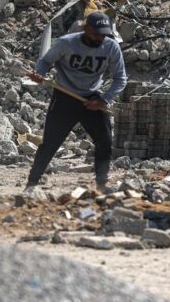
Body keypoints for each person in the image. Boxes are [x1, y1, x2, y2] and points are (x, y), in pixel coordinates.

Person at [26, 11, 127, 190]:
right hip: (65, 95)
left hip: (93, 99)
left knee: (104, 141)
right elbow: (45, 62)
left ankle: (102, 183)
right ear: (85, 28)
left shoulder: (111, 47)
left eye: (103, 34)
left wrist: (104, 100)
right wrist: (40, 74)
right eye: (96, 33)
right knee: (50, 142)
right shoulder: (67, 42)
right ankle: (32, 182)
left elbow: (121, 78)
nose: (99, 37)